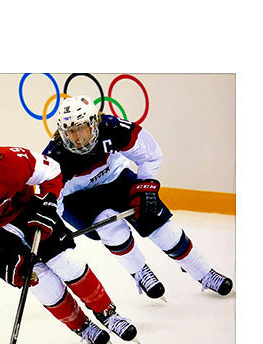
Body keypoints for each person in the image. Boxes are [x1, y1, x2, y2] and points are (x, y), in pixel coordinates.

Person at [0, 124, 138, 344]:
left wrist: (50, 200)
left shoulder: (15, 160)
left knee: (67, 262)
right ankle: (81, 326)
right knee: (38, 278)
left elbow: (52, 171)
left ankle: (108, 313)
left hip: (26, 211)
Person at [42, 95, 233, 299]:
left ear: (93, 123)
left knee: (161, 227)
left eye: (80, 128)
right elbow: (49, 198)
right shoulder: (55, 156)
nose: (76, 137)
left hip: (117, 180)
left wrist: (145, 187)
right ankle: (140, 271)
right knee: (111, 229)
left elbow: (150, 154)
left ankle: (204, 272)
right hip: (79, 198)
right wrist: (55, 225)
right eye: (70, 131)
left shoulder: (114, 129)